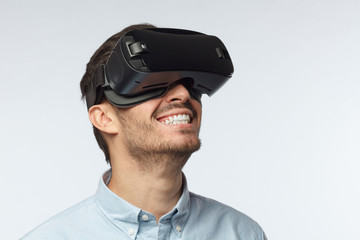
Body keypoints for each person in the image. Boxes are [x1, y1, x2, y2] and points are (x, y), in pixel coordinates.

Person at [21, 24, 267, 240]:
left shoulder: (243, 234)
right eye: (154, 83)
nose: (183, 94)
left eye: (190, 84)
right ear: (104, 118)